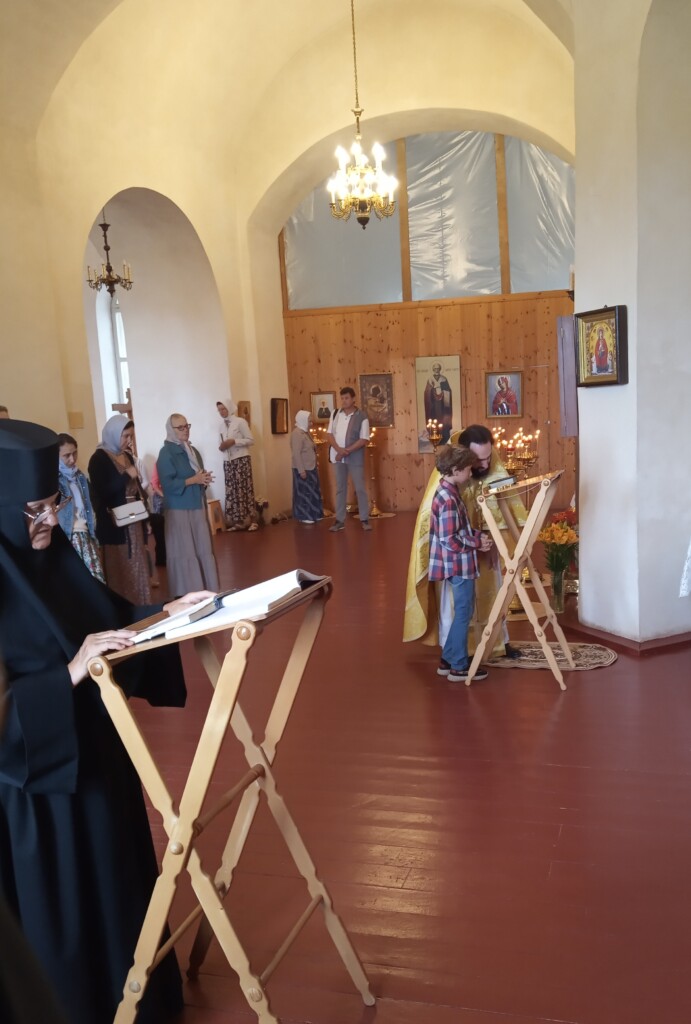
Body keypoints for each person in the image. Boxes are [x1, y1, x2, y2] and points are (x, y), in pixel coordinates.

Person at [0, 418, 214, 1024]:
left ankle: (140, 998)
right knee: (67, 908)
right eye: (35, 511)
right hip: (40, 784)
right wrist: (71, 671)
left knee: (118, 883)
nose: (51, 520)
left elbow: (107, 619)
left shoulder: (50, 552)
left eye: (54, 504)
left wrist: (164, 613)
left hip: (97, 758)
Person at [403, 424, 526, 659]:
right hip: (457, 557)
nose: (485, 465)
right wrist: (473, 542)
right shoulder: (448, 481)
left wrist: (495, 542)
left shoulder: (489, 466)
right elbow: (439, 526)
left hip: (484, 545)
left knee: (493, 593)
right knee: (458, 606)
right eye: (478, 461)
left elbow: (501, 506)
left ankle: (498, 642)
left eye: (489, 458)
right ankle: (457, 653)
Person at [429, 445, 493, 681]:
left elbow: (459, 529)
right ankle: (458, 666)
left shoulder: (448, 491)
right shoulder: (448, 499)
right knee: (464, 612)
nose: (470, 472)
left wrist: (477, 537)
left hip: (456, 562)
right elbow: (449, 539)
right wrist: (476, 543)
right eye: (467, 469)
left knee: (463, 611)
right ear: (455, 470)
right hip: (458, 564)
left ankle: (448, 659)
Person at [88, 415, 151, 605]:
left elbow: (137, 490)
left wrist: (146, 518)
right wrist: (126, 476)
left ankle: (143, 606)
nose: (129, 440)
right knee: (121, 568)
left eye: (131, 436)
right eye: (125, 436)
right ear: (113, 434)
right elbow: (102, 492)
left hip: (135, 519)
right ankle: (126, 610)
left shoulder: (128, 456)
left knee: (139, 564)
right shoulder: (98, 459)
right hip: (115, 524)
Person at [158, 413, 220, 596]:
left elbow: (197, 475)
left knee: (202, 547)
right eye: (181, 427)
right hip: (179, 509)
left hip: (197, 504)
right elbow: (167, 484)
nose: (185, 430)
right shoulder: (166, 453)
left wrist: (203, 479)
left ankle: (205, 588)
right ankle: (187, 592)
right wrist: (194, 480)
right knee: (185, 551)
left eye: (187, 426)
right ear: (171, 430)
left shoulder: (193, 451)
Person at [56, 432, 105, 583]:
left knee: (96, 581)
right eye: (66, 455)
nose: (72, 459)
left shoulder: (80, 476)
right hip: (69, 536)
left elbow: (88, 505)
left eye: (74, 453)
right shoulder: (53, 479)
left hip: (85, 533)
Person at [326, 386, 371, 532]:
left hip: (355, 457)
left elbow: (364, 439)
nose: (344, 401)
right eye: (342, 398)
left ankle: (364, 519)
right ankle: (339, 520)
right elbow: (329, 435)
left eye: (346, 398)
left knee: (359, 488)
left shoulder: (362, 416)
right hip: (338, 457)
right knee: (340, 488)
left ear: (353, 399)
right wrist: (339, 450)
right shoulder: (335, 414)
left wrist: (346, 451)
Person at [217, 399, 258, 531]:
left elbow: (251, 440)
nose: (221, 412)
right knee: (233, 491)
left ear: (229, 408)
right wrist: (222, 447)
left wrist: (234, 441)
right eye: (219, 410)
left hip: (241, 460)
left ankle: (253, 520)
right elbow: (221, 444)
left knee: (245, 489)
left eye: (223, 409)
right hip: (228, 462)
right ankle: (239, 521)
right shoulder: (221, 426)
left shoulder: (240, 422)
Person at [290, 410, 323, 525]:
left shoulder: (305, 432)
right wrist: (301, 470)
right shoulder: (297, 434)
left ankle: (315, 513)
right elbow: (296, 453)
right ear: (303, 421)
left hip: (310, 467)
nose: (311, 423)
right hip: (303, 469)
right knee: (304, 493)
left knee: (313, 492)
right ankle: (305, 515)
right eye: (309, 421)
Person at [423, 363, 453, 444]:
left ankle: (444, 437)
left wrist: (442, 390)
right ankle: (435, 437)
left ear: (440, 369)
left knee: (443, 420)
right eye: (435, 369)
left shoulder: (444, 379)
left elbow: (448, 390)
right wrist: (432, 390)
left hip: (442, 405)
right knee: (434, 420)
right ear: (433, 369)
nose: (437, 370)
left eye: (438, 368)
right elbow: (426, 392)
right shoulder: (430, 379)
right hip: (434, 405)